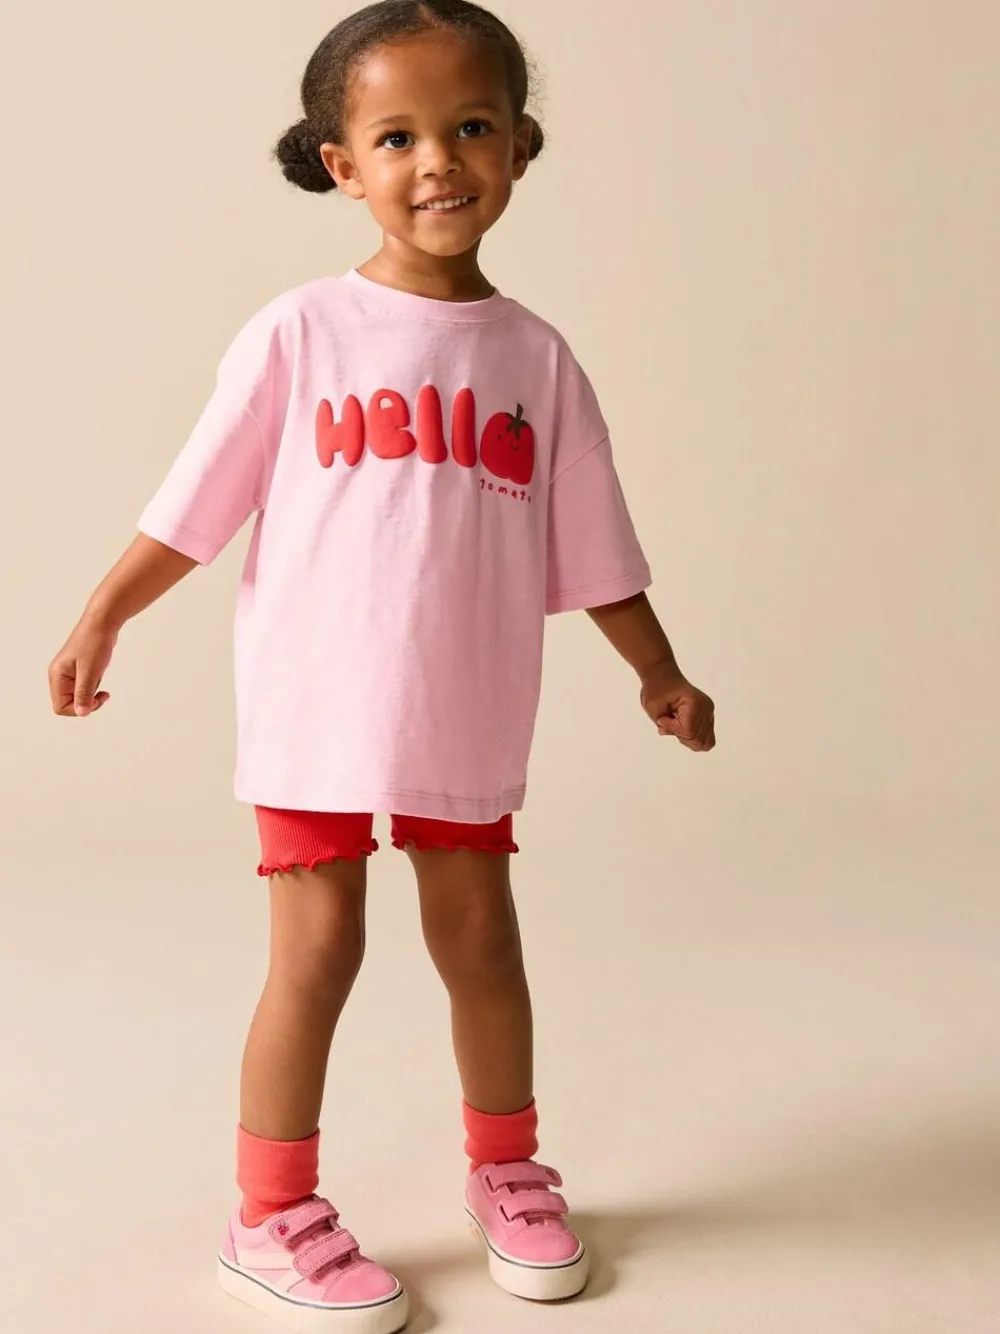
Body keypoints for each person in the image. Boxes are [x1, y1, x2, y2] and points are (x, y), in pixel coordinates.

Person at [48, 2, 716, 1330]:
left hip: (463, 706)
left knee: (481, 941)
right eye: (398, 135)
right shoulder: (300, 331)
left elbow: (595, 543)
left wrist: (659, 668)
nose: (439, 160)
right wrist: (104, 612)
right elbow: (197, 500)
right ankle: (268, 1214)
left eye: (470, 126)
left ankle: (506, 1170)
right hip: (315, 707)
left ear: (521, 145)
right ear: (342, 164)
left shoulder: (535, 358)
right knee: (320, 949)